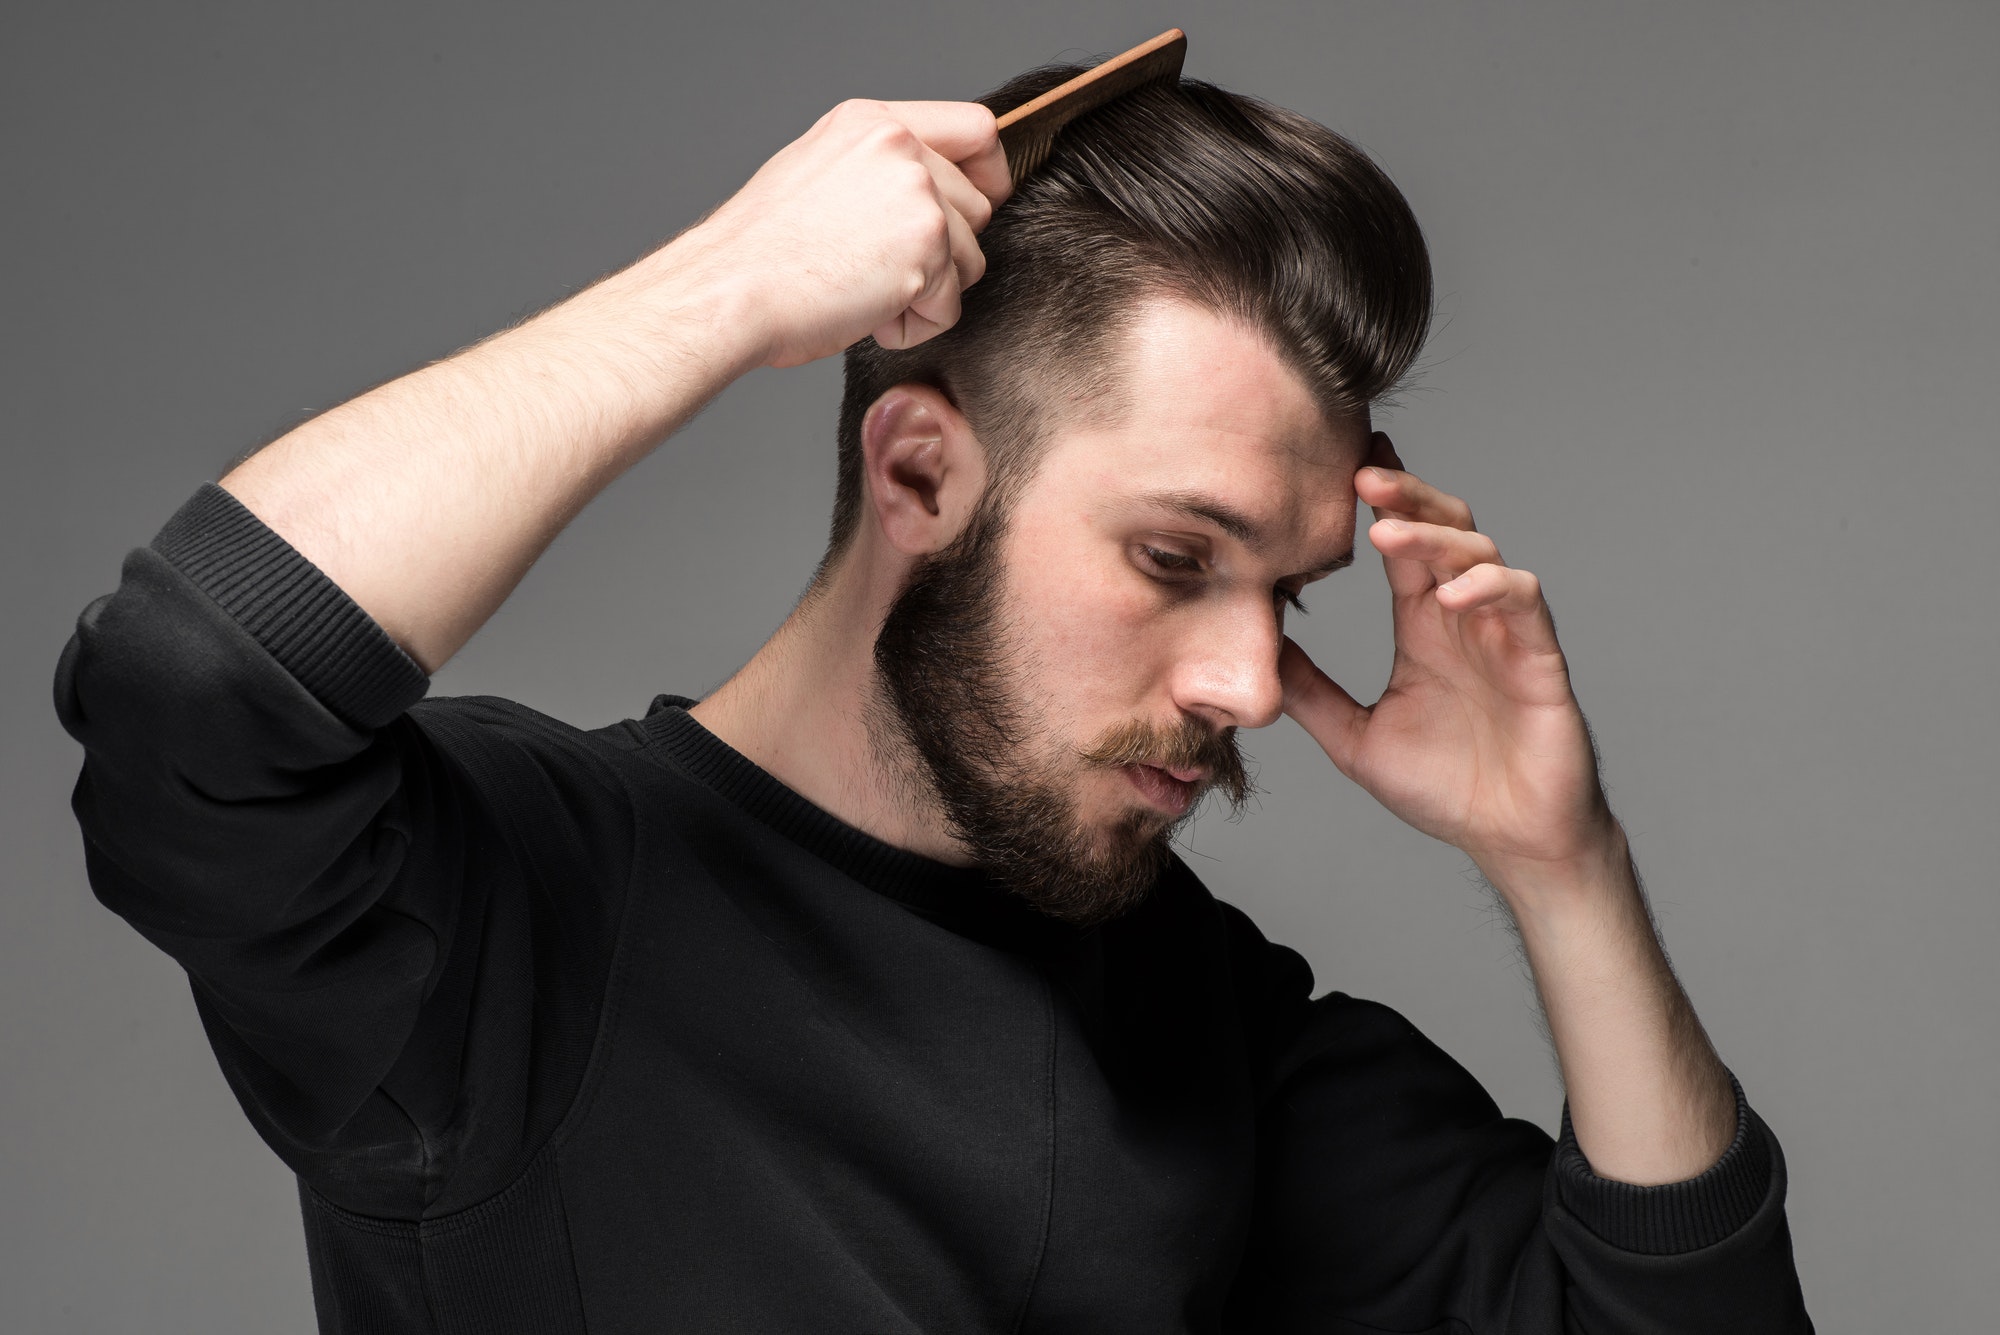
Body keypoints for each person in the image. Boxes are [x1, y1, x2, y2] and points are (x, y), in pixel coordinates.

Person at [53, 63, 1813, 1334]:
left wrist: (1559, 862)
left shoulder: (1197, 1018)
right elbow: (196, 685)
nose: (1252, 684)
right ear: (918, 475)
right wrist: (727, 286)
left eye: (1285, 592)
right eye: (1175, 559)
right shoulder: (519, 910)